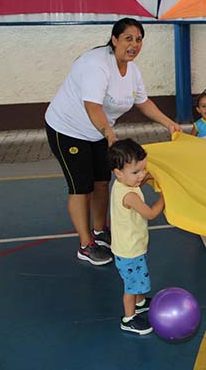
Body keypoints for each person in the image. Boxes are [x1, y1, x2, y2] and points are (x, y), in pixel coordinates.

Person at [45, 18, 182, 266]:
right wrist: (109, 133)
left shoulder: (132, 70)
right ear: (114, 39)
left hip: (99, 131)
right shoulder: (97, 65)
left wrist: (169, 123)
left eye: (139, 39)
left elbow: (143, 102)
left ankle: (100, 231)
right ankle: (86, 245)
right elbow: (92, 106)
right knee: (81, 186)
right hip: (67, 129)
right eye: (128, 38)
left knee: (101, 181)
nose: (134, 44)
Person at [109, 138, 164, 335]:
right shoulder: (129, 195)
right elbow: (150, 214)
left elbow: (141, 177)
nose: (141, 175)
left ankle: (140, 303)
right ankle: (129, 318)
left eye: (143, 169)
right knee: (131, 286)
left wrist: (148, 176)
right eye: (136, 172)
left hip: (131, 246)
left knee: (138, 278)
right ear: (118, 173)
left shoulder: (123, 183)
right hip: (129, 251)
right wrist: (164, 198)